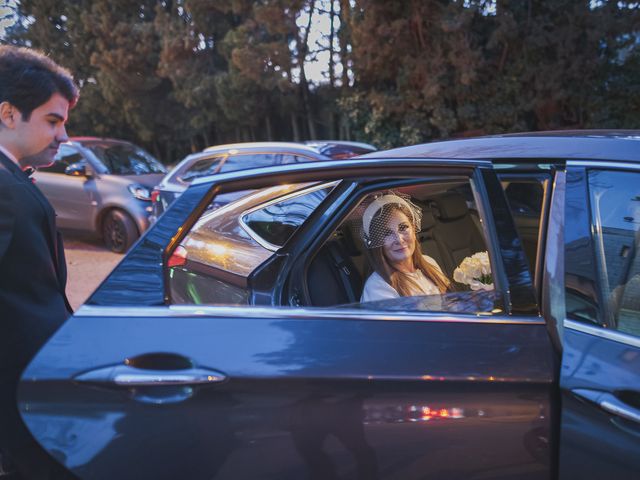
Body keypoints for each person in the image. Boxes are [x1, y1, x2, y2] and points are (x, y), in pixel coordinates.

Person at [0, 45, 79, 479]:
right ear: (9, 114)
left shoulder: (11, 177)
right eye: (54, 121)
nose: (64, 136)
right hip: (19, 391)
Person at [360, 192, 450, 302]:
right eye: (387, 233)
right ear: (377, 241)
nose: (399, 239)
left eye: (403, 227)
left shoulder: (430, 263)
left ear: (413, 228)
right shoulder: (378, 287)